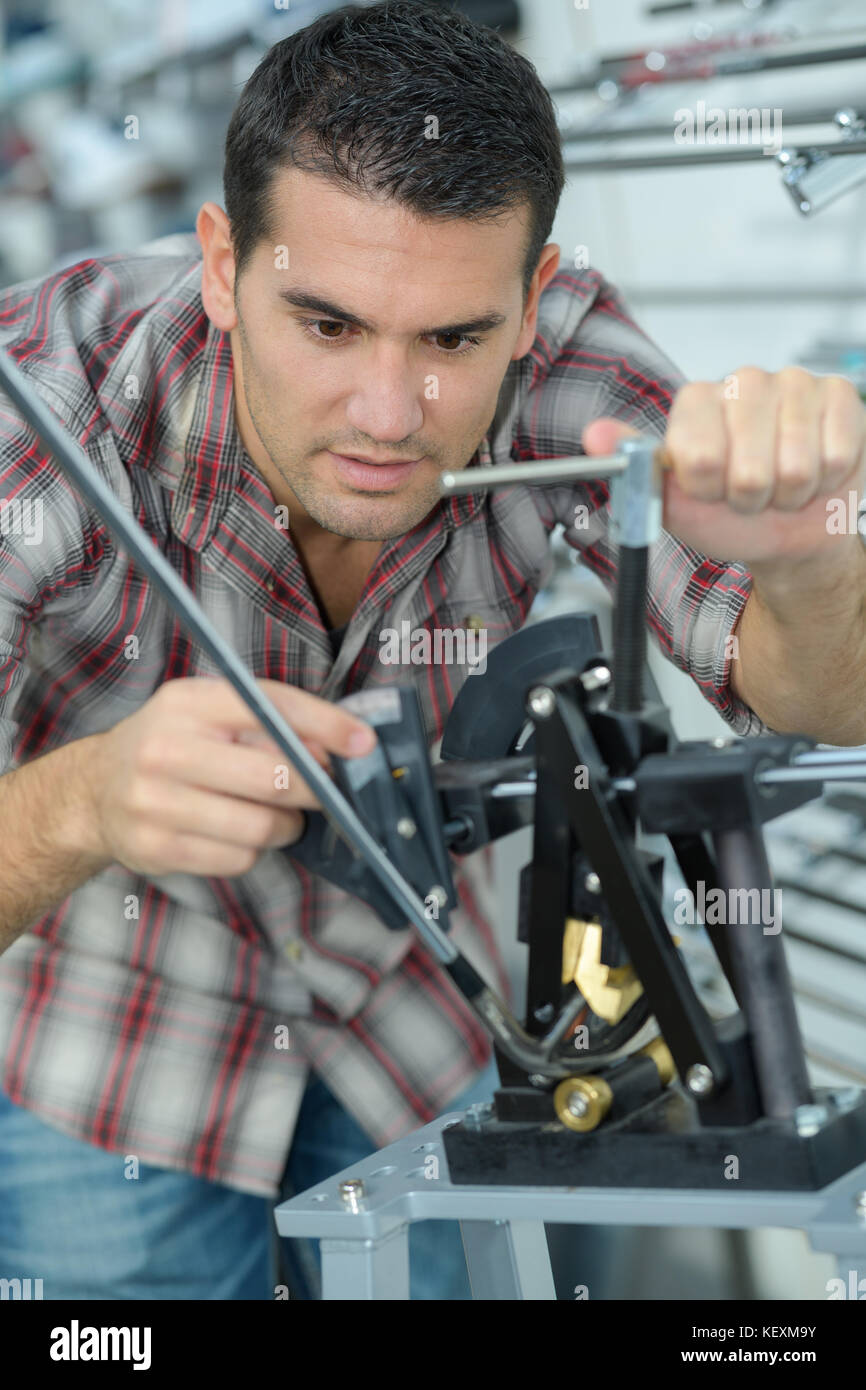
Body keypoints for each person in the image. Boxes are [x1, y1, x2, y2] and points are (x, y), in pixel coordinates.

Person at [0, 0, 864, 1302]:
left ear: (530, 297)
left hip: (438, 1019)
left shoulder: (566, 346)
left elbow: (816, 700)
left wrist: (812, 557)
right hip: (113, 1047)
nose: (389, 416)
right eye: (329, 325)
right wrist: (82, 802)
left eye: (453, 340)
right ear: (224, 263)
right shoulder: (48, 402)